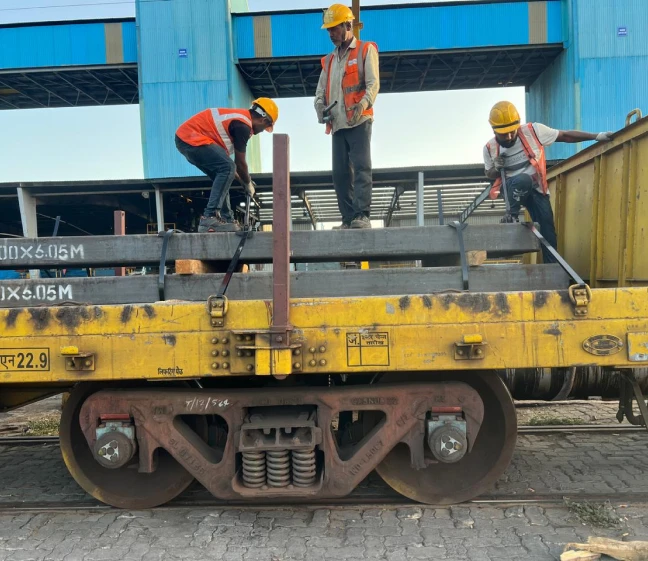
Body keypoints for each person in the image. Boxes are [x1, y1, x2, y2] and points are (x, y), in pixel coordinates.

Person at [484, 101, 613, 263]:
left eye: (512, 132)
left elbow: (564, 135)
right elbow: (489, 173)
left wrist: (596, 136)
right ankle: (511, 218)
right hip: (511, 188)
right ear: (494, 130)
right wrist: (496, 167)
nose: (509, 137)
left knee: (548, 232)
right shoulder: (489, 148)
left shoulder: (533, 131)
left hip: (537, 189)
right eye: (504, 134)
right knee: (523, 180)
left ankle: (552, 268)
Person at [314, 3, 379, 229]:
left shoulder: (365, 50)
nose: (331, 33)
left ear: (348, 26)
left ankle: (362, 215)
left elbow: (373, 84)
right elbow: (320, 93)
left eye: (335, 28)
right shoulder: (329, 60)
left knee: (361, 168)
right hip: (338, 124)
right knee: (340, 174)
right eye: (329, 30)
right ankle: (348, 218)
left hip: (359, 120)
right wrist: (320, 108)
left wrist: (363, 104)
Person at [175, 98, 278, 233]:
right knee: (227, 168)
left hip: (185, 140)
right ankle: (209, 217)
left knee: (223, 175)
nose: (263, 131)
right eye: (265, 128)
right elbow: (239, 164)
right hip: (190, 137)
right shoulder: (243, 125)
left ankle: (227, 219)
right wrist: (248, 183)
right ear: (264, 120)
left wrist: (242, 181)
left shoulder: (239, 120)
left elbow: (230, 171)